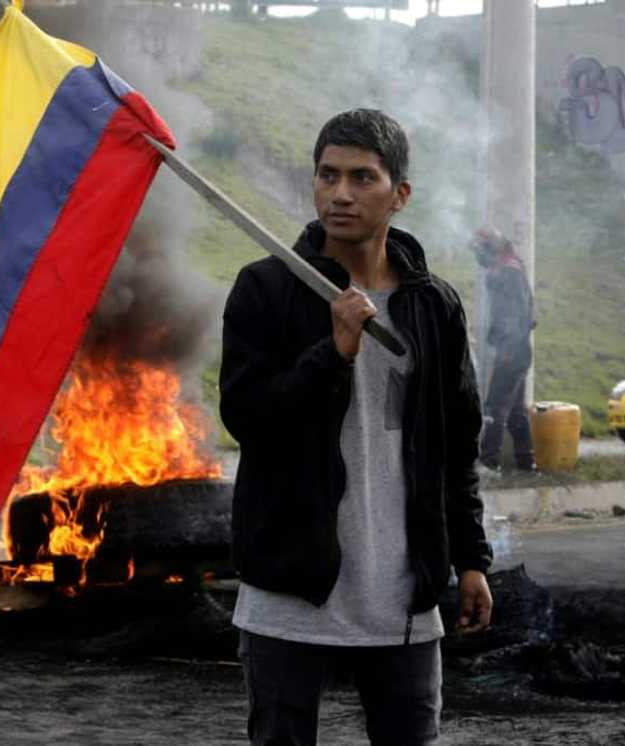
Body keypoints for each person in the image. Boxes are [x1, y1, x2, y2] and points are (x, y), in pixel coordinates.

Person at [220, 109, 493, 746]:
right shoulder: (267, 289)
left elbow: (456, 444)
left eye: (362, 178)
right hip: (291, 593)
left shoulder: (434, 304)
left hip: (403, 597)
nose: (341, 193)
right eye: (328, 175)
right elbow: (250, 420)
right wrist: (332, 353)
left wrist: (471, 560)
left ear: (399, 194)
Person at [471, 227, 537, 474]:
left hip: (513, 348)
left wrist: (507, 346)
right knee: (516, 410)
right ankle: (527, 464)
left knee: (494, 407)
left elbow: (515, 314)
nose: (477, 255)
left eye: (479, 249)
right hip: (517, 347)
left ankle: (489, 462)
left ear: (490, 249)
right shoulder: (507, 268)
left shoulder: (507, 272)